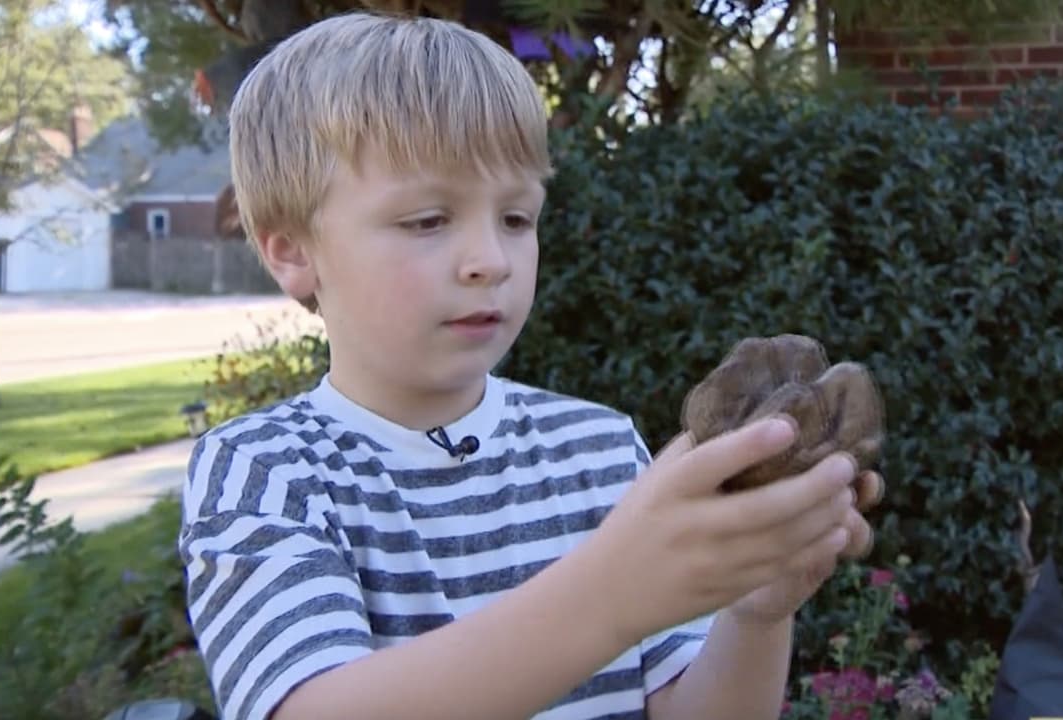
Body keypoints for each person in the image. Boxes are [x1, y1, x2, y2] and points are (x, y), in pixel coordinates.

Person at [179, 11, 884, 720]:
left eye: (517, 218)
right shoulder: (266, 472)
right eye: (427, 220)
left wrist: (753, 613)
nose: (491, 259)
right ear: (293, 251)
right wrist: (610, 595)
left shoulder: (599, 449)